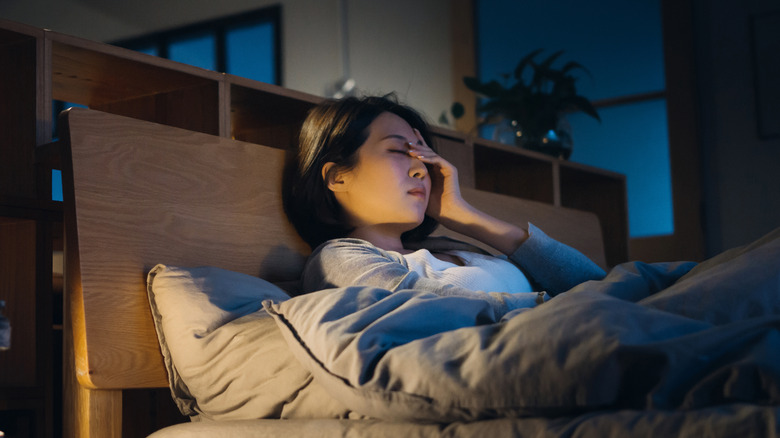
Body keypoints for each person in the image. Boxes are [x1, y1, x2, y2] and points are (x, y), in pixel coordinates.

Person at [283, 94, 606, 315]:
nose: (420, 169)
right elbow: (441, 309)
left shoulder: (448, 246)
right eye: (398, 151)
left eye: (422, 156)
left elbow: (594, 282)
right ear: (338, 177)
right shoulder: (338, 259)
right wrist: (567, 305)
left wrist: (463, 215)